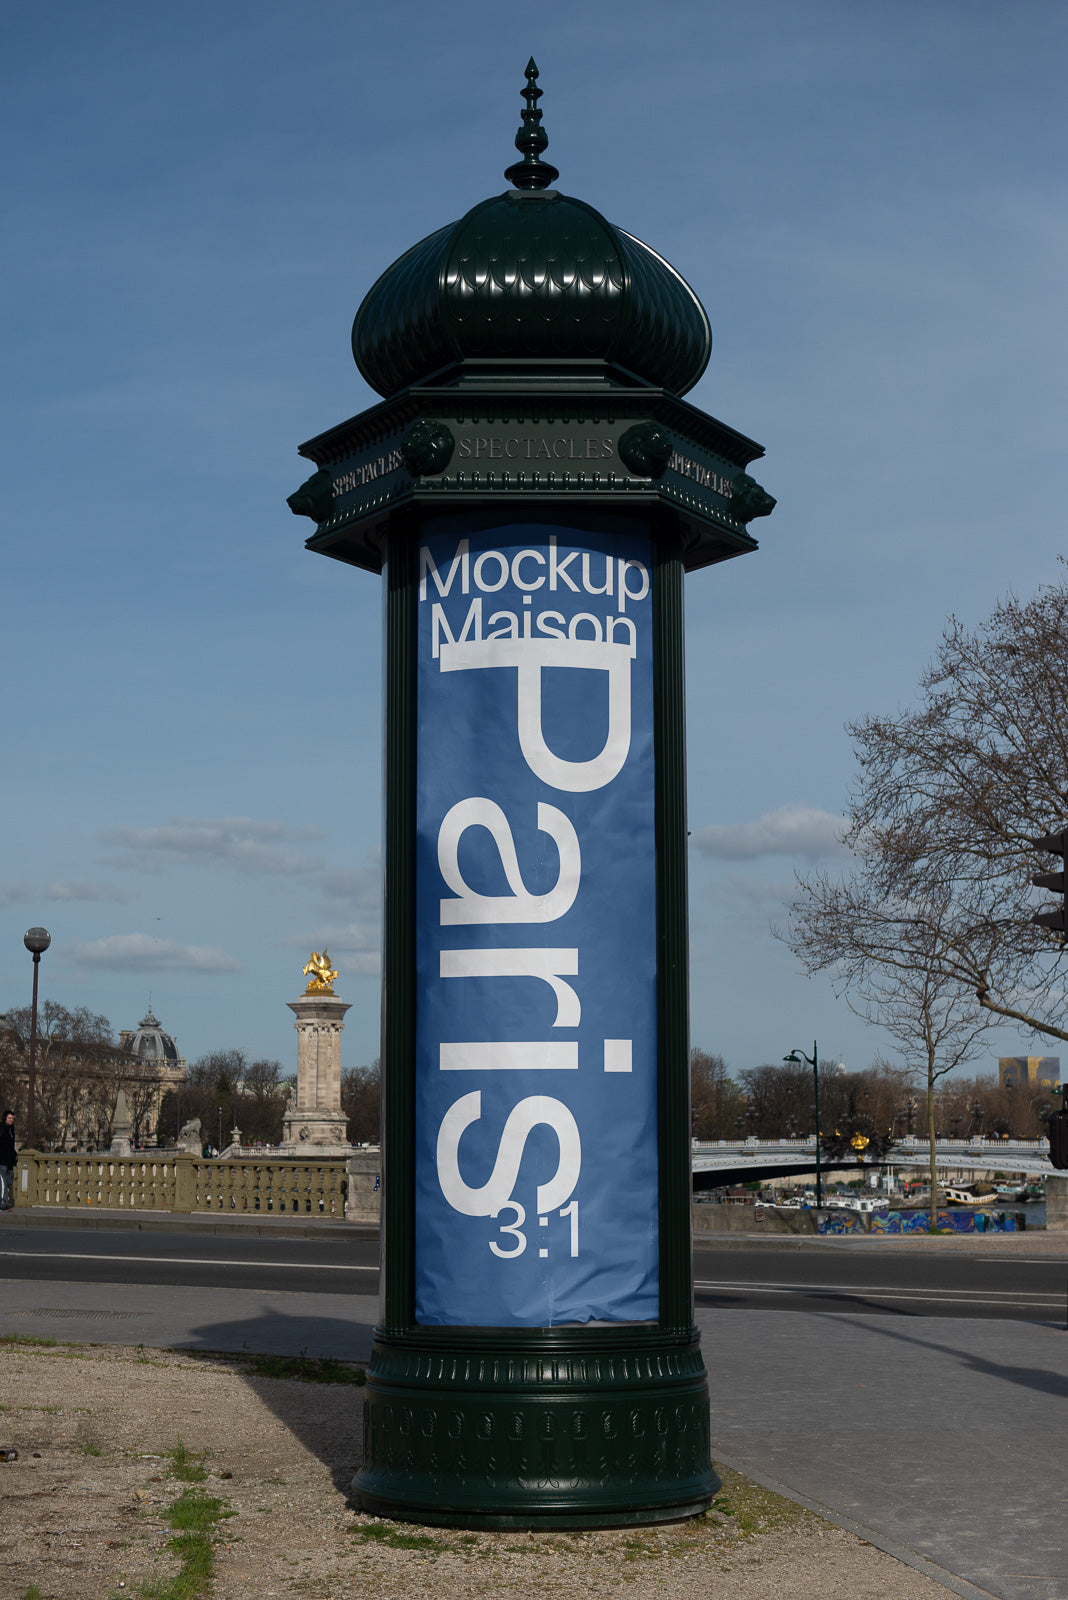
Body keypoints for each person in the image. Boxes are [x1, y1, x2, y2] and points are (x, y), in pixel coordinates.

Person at [0, 1110, 16, 1212]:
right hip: (1, 1161)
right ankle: (3, 1203)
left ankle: (4, 1200)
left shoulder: (12, 1130)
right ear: (5, 1118)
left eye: (12, 1118)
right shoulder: (1, 1128)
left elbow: (11, 1146)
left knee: (9, 1181)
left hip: (10, 1162)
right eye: (9, 1118)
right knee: (3, 1183)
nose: (11, 1120)